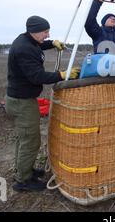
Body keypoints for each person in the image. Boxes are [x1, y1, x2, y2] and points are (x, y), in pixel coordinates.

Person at [5, 15, 78, 192]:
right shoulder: (24, 49)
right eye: (45, 32)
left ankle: (24, 169)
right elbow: (37, 76)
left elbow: (38, 45)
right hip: (22, 103)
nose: (47, 34)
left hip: (21, 99)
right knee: (30, 141)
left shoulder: (27, 40)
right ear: (35, 31)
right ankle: (23, 180)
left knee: (24, 139)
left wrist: (51, 43)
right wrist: (61, 75)